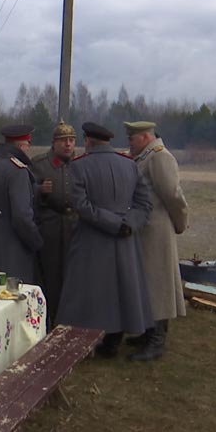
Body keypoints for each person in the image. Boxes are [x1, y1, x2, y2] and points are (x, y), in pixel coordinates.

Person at [57, 122, 154, 358]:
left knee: (87, 293)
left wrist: (113, 223)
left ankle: (81, 341)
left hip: (93, 238)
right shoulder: (129, 164)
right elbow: (145, 204)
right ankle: (113, 340)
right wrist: (128, 223)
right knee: (122, 291)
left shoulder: (80, 166)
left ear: (88, 141)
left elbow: (82, 206)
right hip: (124, 239)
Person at [122, 121, 189, 361]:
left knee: (158, 285)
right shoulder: (146, 156)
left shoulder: (159, 157)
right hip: (146, 230)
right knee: (147, 284)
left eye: (133, 137)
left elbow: (172, 195)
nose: (129, 141)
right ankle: (148, 333)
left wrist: (180, 223)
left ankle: (157, 340)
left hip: (157, 230)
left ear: (145, 137)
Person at [0, 124, 42, 283]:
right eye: (28, 144)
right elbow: (22, 217)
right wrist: (37, 242)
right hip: (12, 249)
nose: (28, 149)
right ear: (21, 145)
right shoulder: (17, 171)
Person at [30, 122, 78, 326]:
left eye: (72, 140)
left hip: (75, 229)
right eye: (63, 141)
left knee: (74, 278)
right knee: (51, 280)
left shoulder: (80, 163)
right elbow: (24, 194)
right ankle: (51, 323)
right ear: (54, 143)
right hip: (50, 229)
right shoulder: (39, 164)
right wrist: (39, 190)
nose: (68, 145)